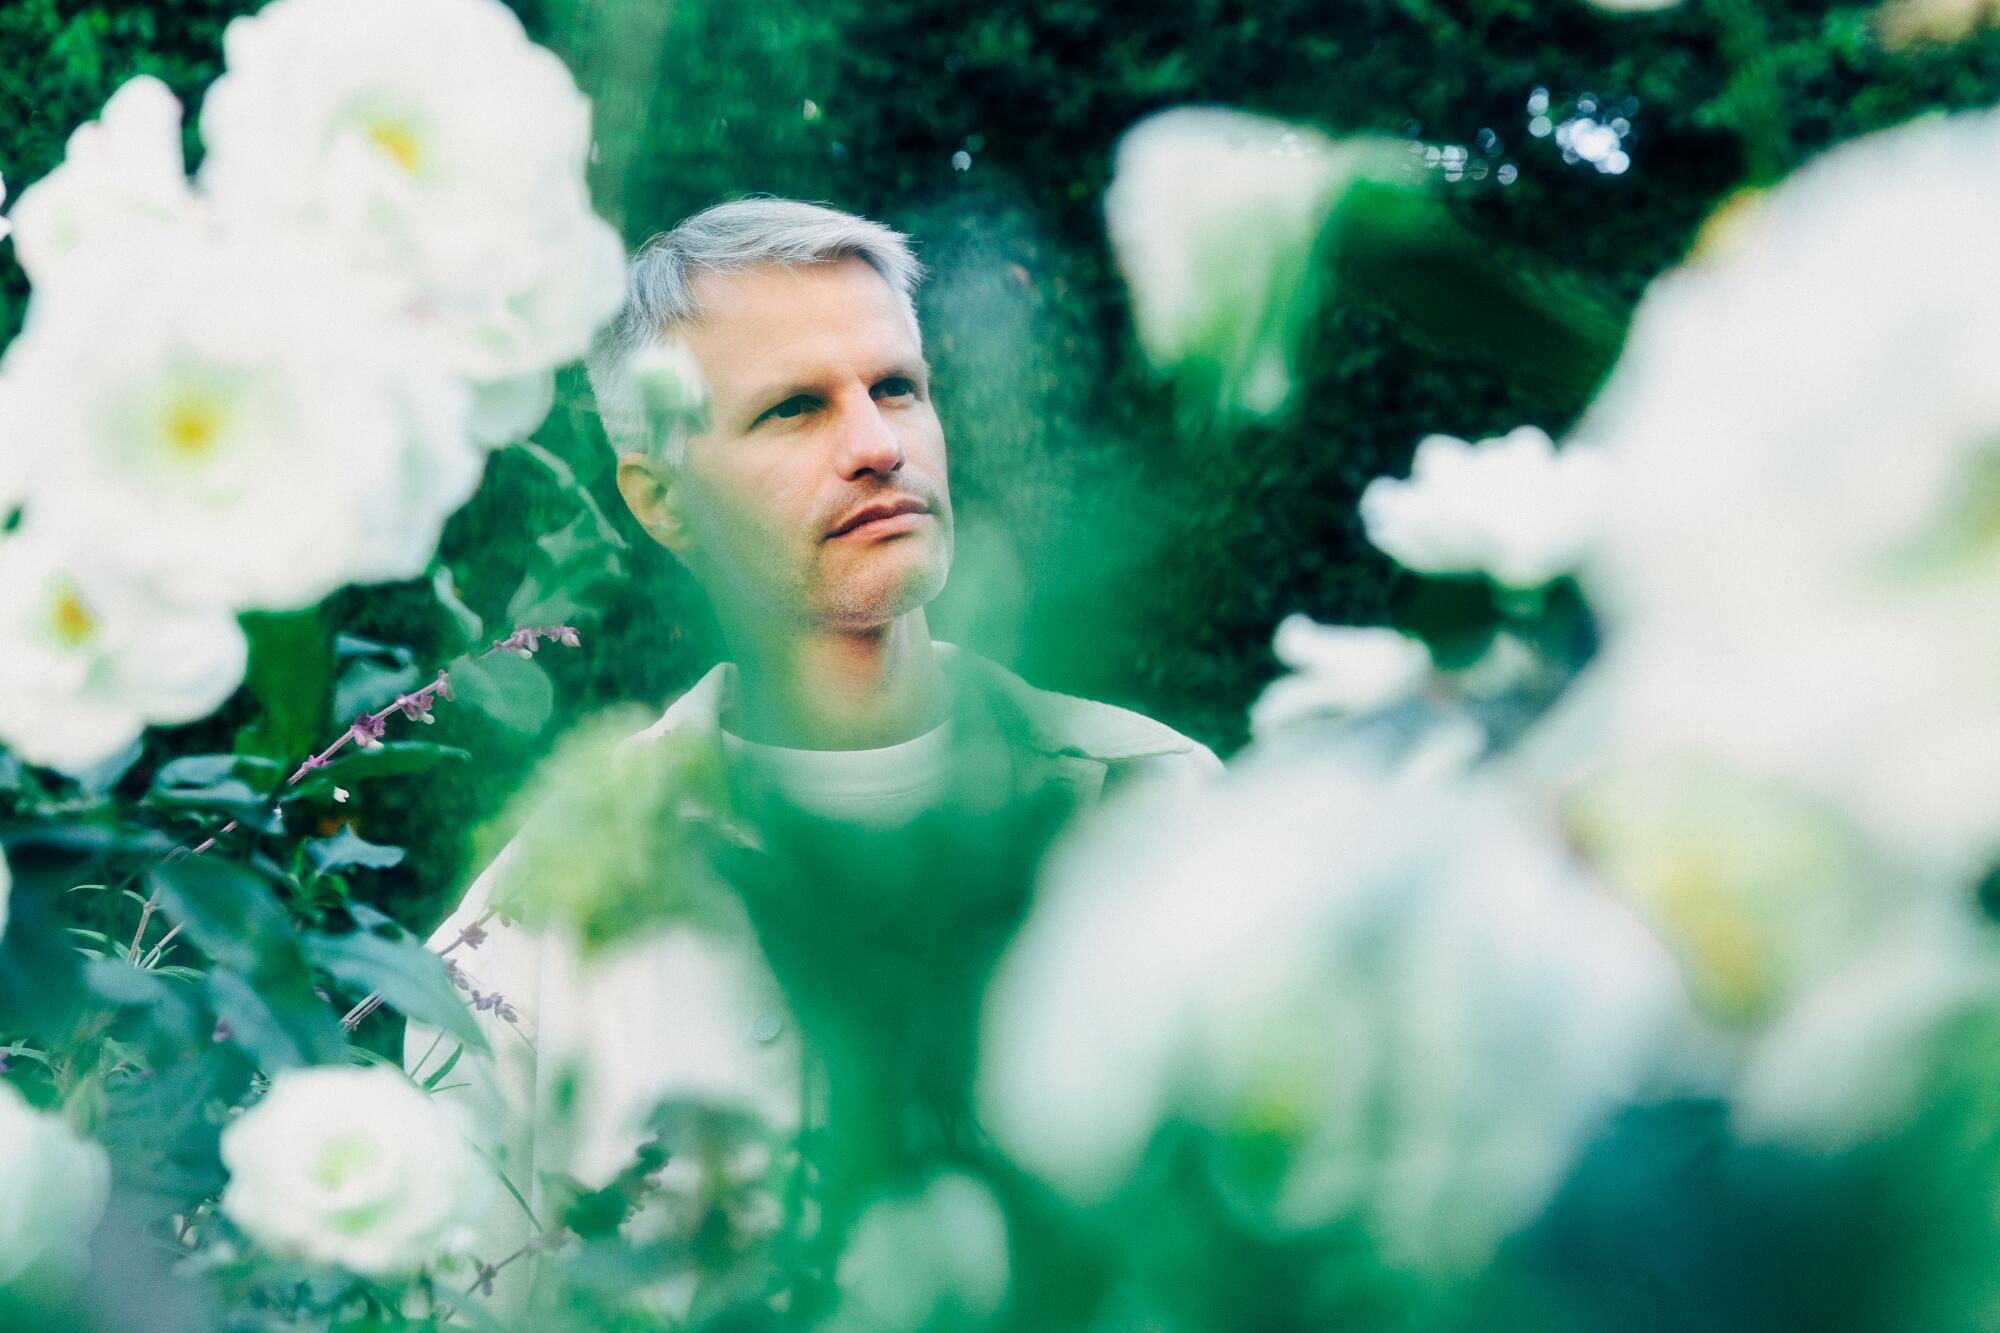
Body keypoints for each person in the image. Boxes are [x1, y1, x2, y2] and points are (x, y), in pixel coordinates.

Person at [405, 198, 1221, 1309]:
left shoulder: (1161, 811)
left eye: (896, 387)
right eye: (793, 408)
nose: (877, 444)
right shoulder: (528, 935)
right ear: (660, 499)